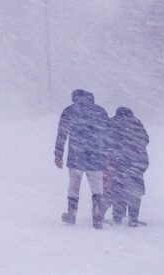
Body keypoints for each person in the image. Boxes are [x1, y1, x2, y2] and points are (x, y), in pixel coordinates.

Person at [54, 88, 109, 228]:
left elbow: (62, 133)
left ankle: (71, 213)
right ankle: (97, 216)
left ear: (75, 98)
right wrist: (107, 155)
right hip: (96, 157)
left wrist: (58, 154)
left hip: (76, 155)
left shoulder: (70, 111)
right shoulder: (101, 112)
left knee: (74, 186)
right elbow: (108, 135)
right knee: (97, 189)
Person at [106, 106, 149, 227]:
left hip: (119, 162)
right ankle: (133, 218)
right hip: (138, 162)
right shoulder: (137, 123)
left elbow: (105, 141)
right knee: (135, 190)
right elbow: (146, 140)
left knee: (119, 189)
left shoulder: (113, 122)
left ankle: (118, 217)